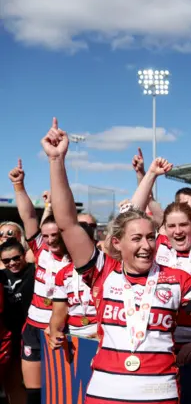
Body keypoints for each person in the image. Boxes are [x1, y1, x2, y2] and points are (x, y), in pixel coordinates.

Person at [43, 117, 191, 404]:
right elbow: (68, 225)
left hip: (161, 396)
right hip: (104, 396)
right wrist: (56, 161)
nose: (146, 246)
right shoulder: (102, 270)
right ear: (117, 243)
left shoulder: (176, 278)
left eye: (151, 238)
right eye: (136, 239)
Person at [8, 154, 71, 404]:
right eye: (46, 236)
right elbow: (29, 218)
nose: (51, 239)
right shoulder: (41, 251)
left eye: (56, 234)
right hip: (33, 328)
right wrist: (18, 186)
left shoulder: (78, 260)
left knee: (62, 393)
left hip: (61, 331)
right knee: (34, 394)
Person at [0, 238, 34, 404]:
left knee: (32, 385)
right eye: (6, 260)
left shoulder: (34, 272)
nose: (12, 263)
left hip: (32, 335)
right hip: (9, 337)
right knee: (12, 383)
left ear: (24, 255)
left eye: (16, 258)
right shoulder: (1, 276)